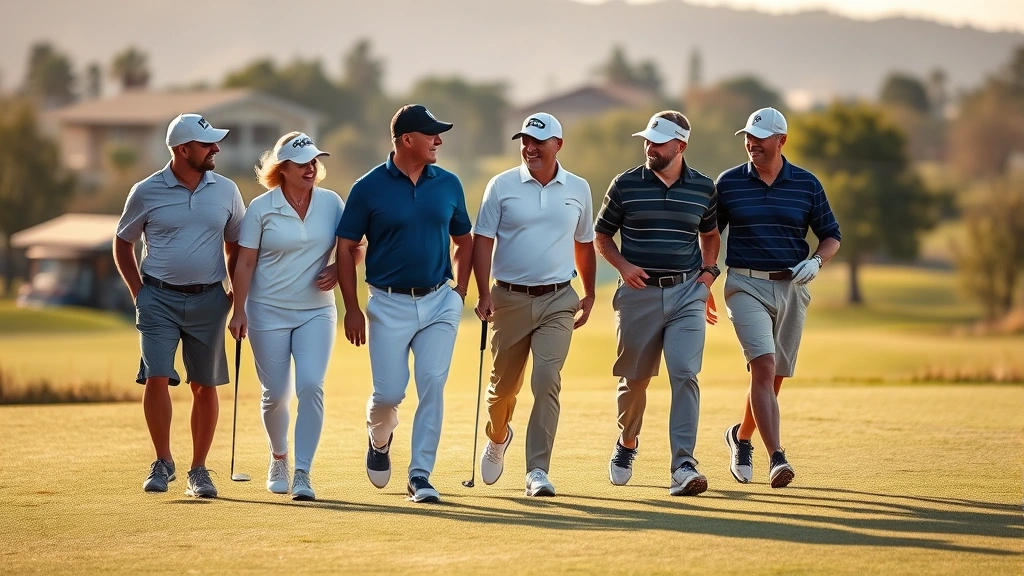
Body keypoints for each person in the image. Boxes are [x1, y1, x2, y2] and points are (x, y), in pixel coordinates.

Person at [335, 104, 473, 504]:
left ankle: (419, 475)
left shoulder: (448, 184)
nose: (439, 141)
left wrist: (460, 291)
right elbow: (346, 248)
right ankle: (379, 439)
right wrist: (352, 308)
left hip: (439, 302)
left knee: (432, 384)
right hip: (387, 305)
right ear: (407, 140)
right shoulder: (368, 187)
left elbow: (464, 240)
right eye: (432, 135)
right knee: (390, 394)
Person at [113, 113, 245, 498]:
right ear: (183, 149)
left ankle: (199, 470)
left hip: (209, 300)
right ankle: (163, 461)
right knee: (156, 376)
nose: (216, 149)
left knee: (204, 386)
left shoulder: (226, 190)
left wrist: (237, 295)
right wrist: (139, 293)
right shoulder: (146, 190)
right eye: (207, 144)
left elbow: (236, 245)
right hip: (157, 298)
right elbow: (123, 243)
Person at [228, 132, 361, 501]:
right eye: (302, 163)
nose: (311, 167)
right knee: (276, 393)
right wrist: (238, 310)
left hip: (316, 312)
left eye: (314, 161)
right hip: (266, 311)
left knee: (311, 387)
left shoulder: (332, 203)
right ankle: (279, 457)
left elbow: (356, 246)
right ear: (282, 169)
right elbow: (246, 262)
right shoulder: (261, 208)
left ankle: (302, 472)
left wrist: (337, 270)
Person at [594, 111, 721, 497]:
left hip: (687, 293)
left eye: (658, 142)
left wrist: (709, 273)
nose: (649, 147)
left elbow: (710, 234)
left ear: (680, 146)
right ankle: (627, 443)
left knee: (685, 374)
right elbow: (601, 236)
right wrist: (623, 265)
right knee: (634, 381)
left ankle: (683, 465)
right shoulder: (626, 184)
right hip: (638, 295)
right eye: (647, 140)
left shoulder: (703, 187)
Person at [471, 113, 596, 497]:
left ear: (558, 144)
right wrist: (483, 292)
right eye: (524, 141)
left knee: (546, 381)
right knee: (502, 390)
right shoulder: (502, 185)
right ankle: (498, 436)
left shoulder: (578, 188)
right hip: (508, 299)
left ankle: (537, 471)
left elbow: (584, 242)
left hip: (558, 299)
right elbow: (483, 241)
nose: (529, 148)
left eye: (538, 142)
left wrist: (589, 293)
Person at [717, 107, 841, 488]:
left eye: (759, 137)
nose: (751, 143)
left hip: (792, 287)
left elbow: (831, 235)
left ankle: (740, 437)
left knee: (774, 377)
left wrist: (817, 261)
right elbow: (709, 236)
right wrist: (703, 280)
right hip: (744, 284)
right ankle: (776, 458)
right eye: (747, 137)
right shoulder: (729, 182)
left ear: (781, 140)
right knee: (765, 365)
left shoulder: (807, 184)